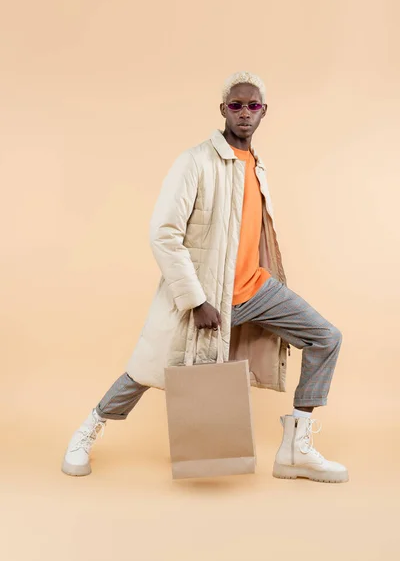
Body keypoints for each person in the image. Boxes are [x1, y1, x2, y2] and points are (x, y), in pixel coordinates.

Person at [62, 71, 348, 484]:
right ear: (223, 110)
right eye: (236, 105)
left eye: (253, 105)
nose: (244, 112)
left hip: (255, 288)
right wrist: (195, 299)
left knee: (326, 337)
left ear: (264, 112)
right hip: (204, 293)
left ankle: (295, 448)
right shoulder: (194, 161)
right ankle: (88, 430)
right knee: (149, 368)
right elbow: (163, 233)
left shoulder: (258, 165)